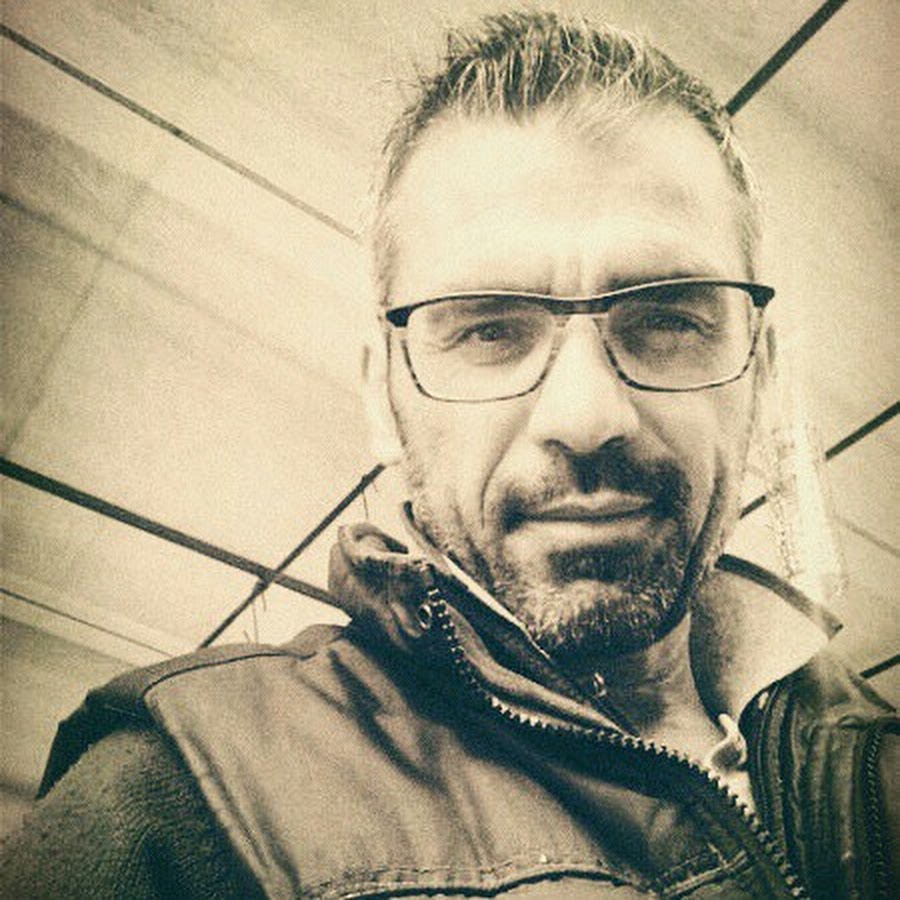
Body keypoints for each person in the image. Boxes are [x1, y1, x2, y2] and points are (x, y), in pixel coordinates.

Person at [1, 10, 895, 899]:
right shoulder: (178, 805)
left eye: (667, 319)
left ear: (759, 372)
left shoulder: (880, 759)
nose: (587, 416)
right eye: (489, 329)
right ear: (383, 398)